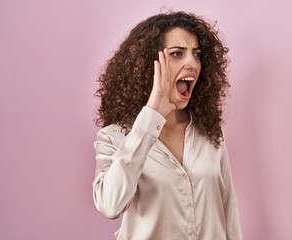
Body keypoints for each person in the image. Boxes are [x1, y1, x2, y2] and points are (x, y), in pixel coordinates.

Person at [92, 11, 242, 240]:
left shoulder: (210, 131)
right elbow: (110, 205)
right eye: (176, 54)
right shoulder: (114, 137)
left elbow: (228, 210)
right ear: (147, 65)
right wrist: (152, 115)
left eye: (197, 54)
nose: (192, 63)